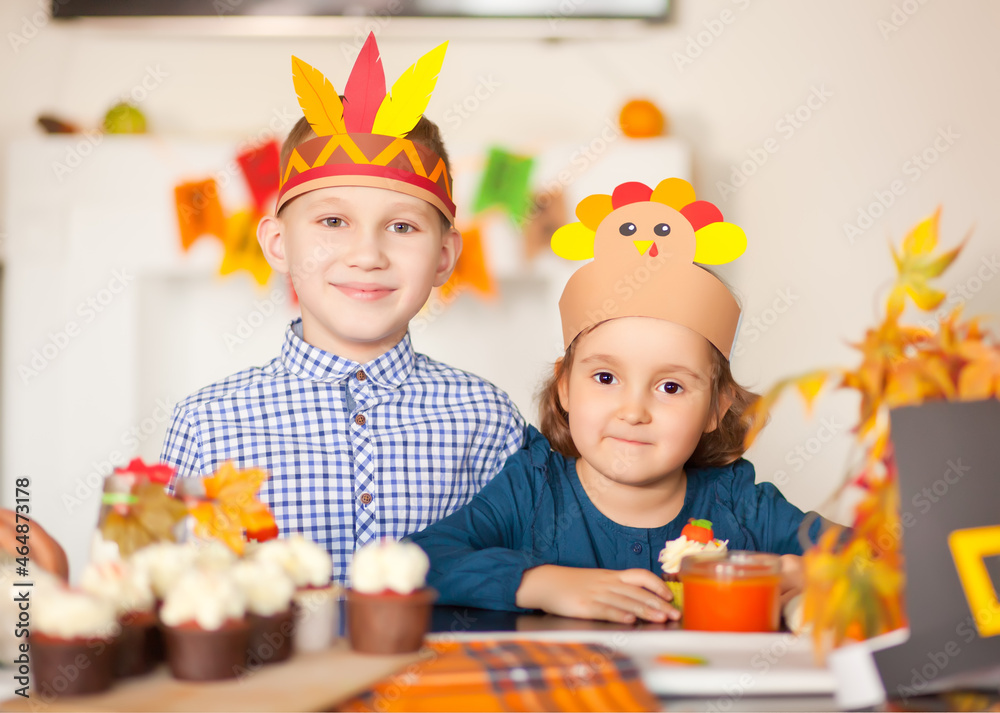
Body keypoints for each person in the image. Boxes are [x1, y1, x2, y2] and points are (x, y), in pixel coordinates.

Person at [160, 35, 526, 584]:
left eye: (401, 227)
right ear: (278, 244)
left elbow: (519, 576)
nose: (367, 255)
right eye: (333, 222)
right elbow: (172, 595)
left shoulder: (487, 418)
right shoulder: (208, 424)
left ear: (446, 255)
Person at [410, 178, 827, 624]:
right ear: (565, 387)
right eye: (606, 377)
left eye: (670, 387)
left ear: (716, 409)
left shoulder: (742, 505)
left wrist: (809, 572)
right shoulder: (531, 490)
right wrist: (543, 582)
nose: (633, 412)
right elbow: (420, 562)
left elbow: (875, 553)